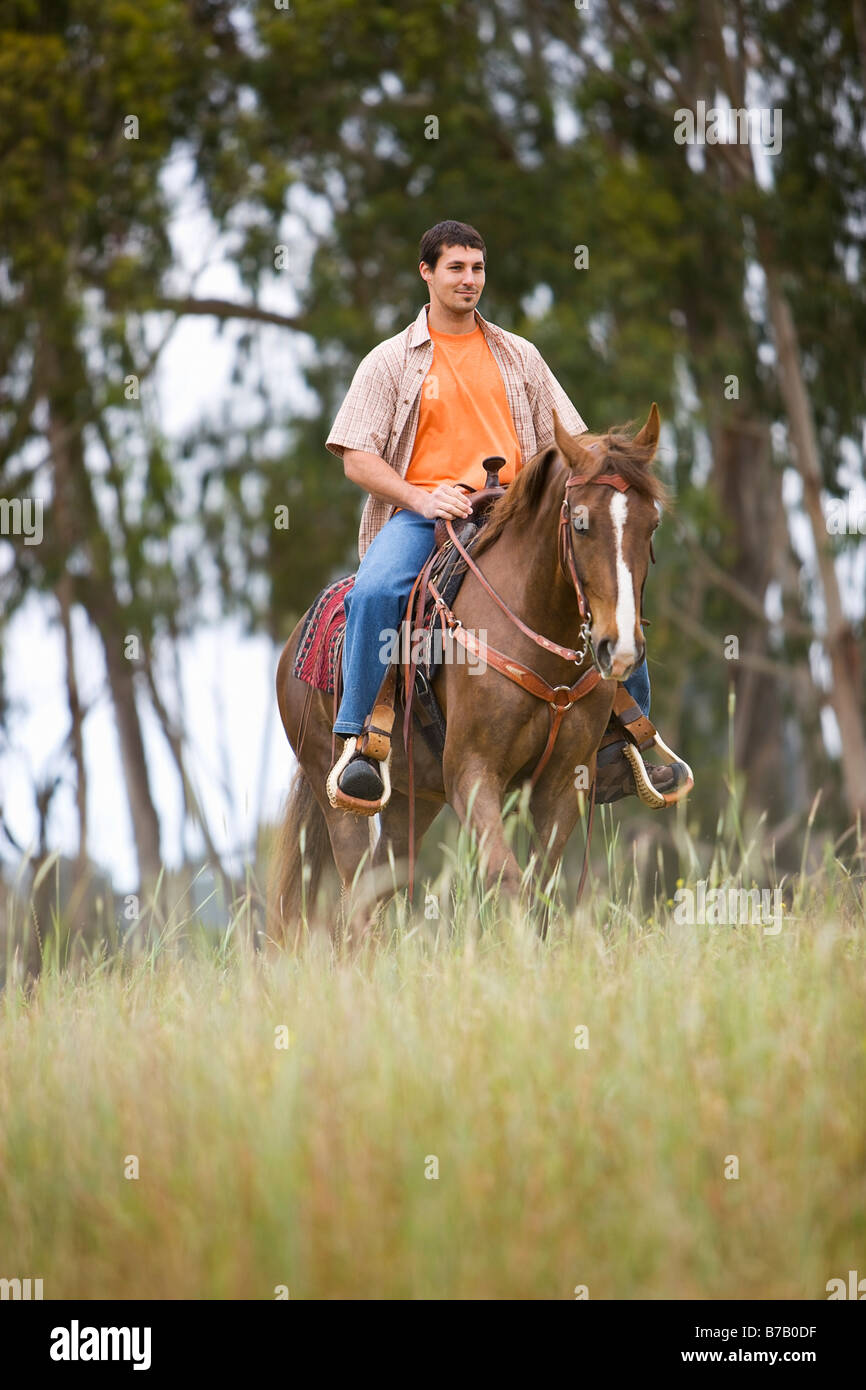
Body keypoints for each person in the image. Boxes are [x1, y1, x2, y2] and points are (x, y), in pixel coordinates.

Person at [325, 219, 665, 807]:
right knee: (374, 591)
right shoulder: (389, 362)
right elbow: (356, 457)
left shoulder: (520, 355)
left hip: (515, 509)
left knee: (610, 571)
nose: (469, 280)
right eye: (455, 267)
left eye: (477, 268)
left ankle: (630, 738)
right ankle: (359, 741)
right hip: (424, 514)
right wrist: (422, 497)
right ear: (426, 273)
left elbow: (573, 441)